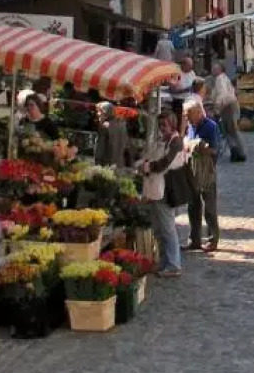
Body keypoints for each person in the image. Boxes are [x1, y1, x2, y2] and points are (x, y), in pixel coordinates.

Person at [140, 112, 184, 277]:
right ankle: (164, 261)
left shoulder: (175, 142)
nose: (161, 129)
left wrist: (148, 167)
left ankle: (174, 264)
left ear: (171, 125)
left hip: (165, 191)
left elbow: (164, 163)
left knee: (168, 229)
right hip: (155, 190)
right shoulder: (163, 141)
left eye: (164, 125)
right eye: (160, 126)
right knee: (158, 229)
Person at [183, 98, 221, 253]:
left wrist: (197, 145)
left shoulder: (211, 127)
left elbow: (214, 150)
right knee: (193, 206)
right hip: (192, 169)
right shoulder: (191, 126)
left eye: (188, 114)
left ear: (198, 113)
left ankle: (213, 240)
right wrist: (189, 144)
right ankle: (194, 240)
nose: (186, 117)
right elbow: (187, 143)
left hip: (207, 170)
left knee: (209, 207)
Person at [210, 60, 248, 162]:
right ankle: (236, 151)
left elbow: (222, 95)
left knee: (231, 130)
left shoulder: (219, 79)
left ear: (220, 69)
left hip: (227, 107)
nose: (213, 69)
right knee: (230, 130)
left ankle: (240, 152)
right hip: (229, 105)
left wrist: (217, 108)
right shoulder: (223, 78)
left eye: (215, 68)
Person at [94, 100, 130, 169]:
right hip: (119, 163)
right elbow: (125, 143)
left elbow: (100, 148)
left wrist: (97, 164)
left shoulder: (105, 126)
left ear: (105, 112)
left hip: (106, 164)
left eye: (100, 111)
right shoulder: (122, 125)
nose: (98, 114)